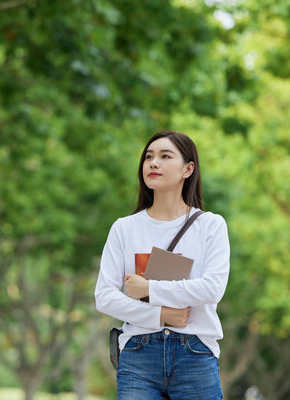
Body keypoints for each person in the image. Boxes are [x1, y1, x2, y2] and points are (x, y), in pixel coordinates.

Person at [95, 130, 230, 399]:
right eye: (149, 157)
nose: (153, 163)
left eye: (165, 156)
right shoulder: (124, 228)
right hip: (138, 356)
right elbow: (104, 297)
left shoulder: (210, 225)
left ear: (188, 169)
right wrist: (161, 316)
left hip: (195, 353)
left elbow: (212, 289)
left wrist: (149, 288)